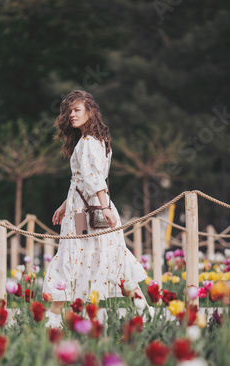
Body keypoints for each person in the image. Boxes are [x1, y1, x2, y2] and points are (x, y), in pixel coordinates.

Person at [43, 90, 154, 328]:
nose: (72, 115)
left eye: (77, 110)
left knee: (72, 261)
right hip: (85, 208)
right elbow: (80, 181)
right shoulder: (99, 140)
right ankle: (146, 312)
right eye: (70, 111)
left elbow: (94, 179)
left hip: (88, 212)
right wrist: (64, 206)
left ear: (90, 112)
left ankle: (53, 320)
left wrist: (105, 208)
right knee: (112, 259)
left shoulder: (87, 142)